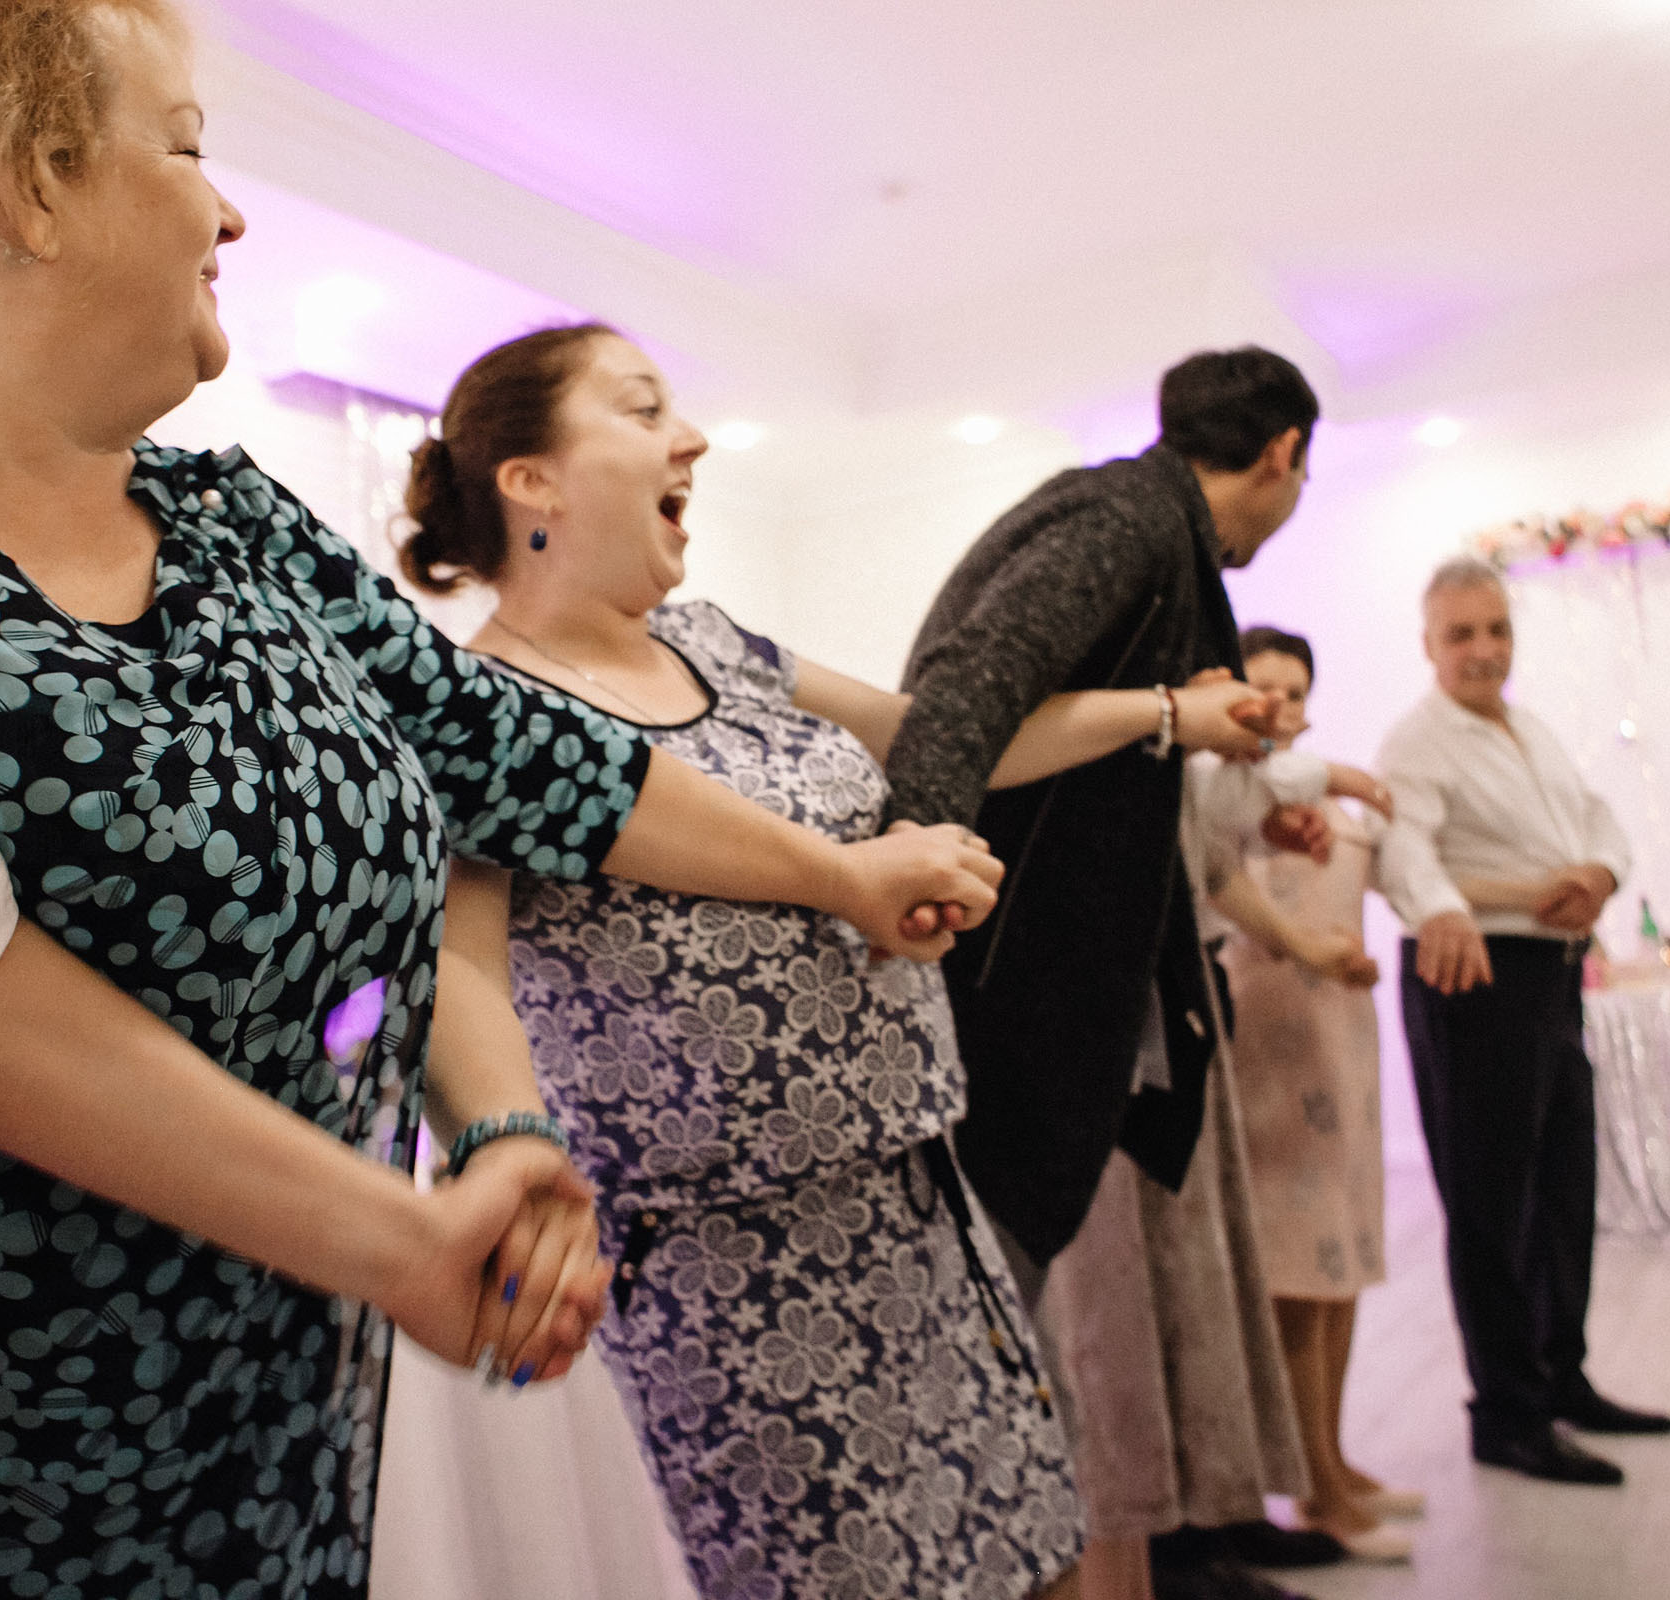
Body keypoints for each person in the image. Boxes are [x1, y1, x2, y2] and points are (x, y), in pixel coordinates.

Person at [0, 7, 1011, 1595]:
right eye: (187, 147)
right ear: (33, 179)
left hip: (274, 1446)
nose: (229, 211)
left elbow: (526, 760)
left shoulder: (235, 530)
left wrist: (831, 883)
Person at [403, 322, 1284, 1600]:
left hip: (922, 1200)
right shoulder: (484, 716)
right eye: (643, 410)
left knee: (1038, 1556)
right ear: (531, 479)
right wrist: (503, 1147)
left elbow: (944, 733)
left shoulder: (714, 644)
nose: (691, 438)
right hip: (732, 1274)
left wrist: (1169, 713)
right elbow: (461, 967)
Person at [881, 348, 1318, 1596]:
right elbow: (960, 697)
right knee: (986, 1393)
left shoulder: (1136, 527)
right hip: (1002, 1010)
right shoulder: (1126, 524)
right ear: (1284, 453)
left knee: (1010, 1389)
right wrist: (910, 903)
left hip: (1022, 1004)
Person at [1378, 557, 1670, 1487]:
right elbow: (1402, 852)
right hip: (1474, 975)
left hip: (1551, 976)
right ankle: (1506, 1413)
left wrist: (1599, 873)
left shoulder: (1529, 728)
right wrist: (1452, 907)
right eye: (1462, 634)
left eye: (1497, 629)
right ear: (1428, 645)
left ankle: (1560, 1377)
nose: (1484, 649)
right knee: (1491, 1204)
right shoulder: (1418, 743)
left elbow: (1596, 819)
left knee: (1562, 1190)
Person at [1213, 626, 1424, 1559]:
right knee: (1297, 1276)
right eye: (1265, 690)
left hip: (1341, 1044)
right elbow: (1218, 898)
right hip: (1269, 1050)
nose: (1283, 708)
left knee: (1340, 1266)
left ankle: (1330, 1454)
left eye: (1296, 692)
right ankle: (1312, 1484)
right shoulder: (1228, 804)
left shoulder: (1333, 813)